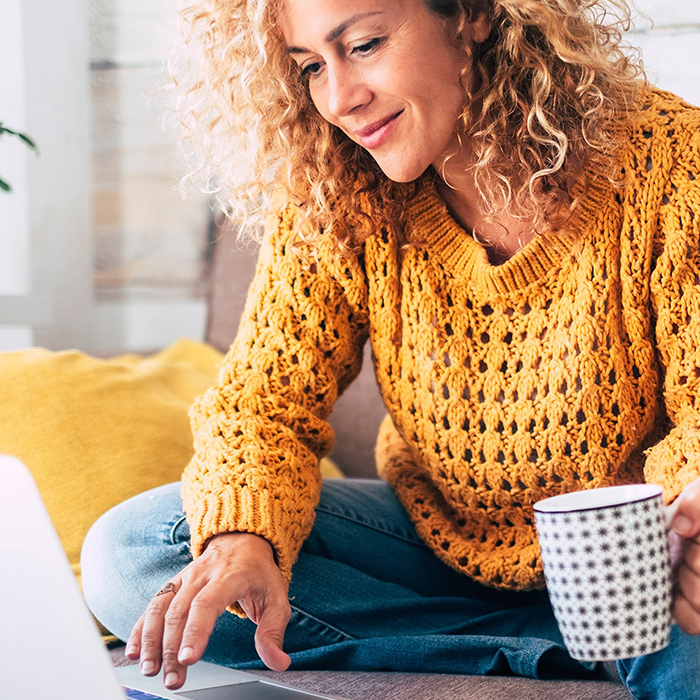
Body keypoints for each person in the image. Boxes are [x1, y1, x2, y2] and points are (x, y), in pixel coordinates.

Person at [81, 0, 700, 698]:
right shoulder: (336, 187)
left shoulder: (669, 164)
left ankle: (575, 639)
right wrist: (242, 540)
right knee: (134, 552)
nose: (340, 99)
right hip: (437, 546)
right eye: (311, 66)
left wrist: (687, 516)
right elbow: (260, 406)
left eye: (366, 44)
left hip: (634, 560)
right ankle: (549, 647)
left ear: (470, 14)